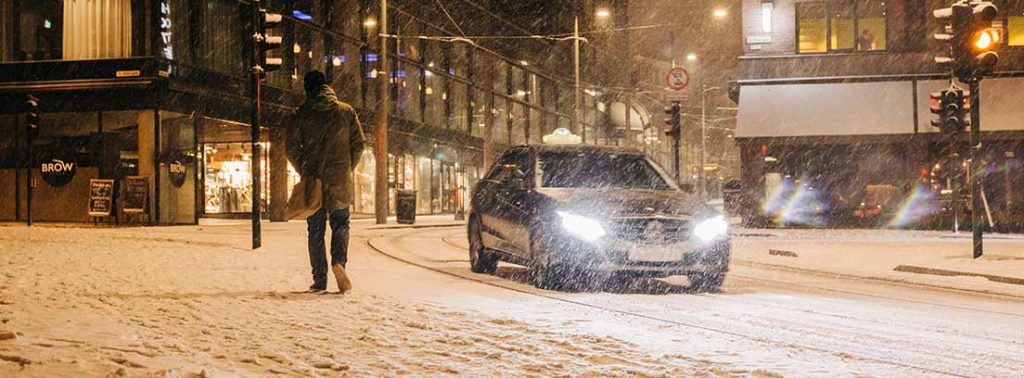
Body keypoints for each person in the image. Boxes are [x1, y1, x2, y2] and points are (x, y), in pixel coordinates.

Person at [286, 71, 366, 293]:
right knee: (341, 223)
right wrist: (345, 167)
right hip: (339, 179)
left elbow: (291, 147)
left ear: (307, 89)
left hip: (314, 181)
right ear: (326, 86)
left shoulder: (301, 114)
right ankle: (338, 262)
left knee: (315, 229)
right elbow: (359, 144)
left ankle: (320, 279)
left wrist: (305, 168)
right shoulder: (346, 112)